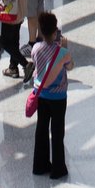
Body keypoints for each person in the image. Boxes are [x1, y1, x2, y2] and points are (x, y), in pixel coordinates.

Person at [29, 11, 71, 179]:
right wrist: (65, 48)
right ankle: (58, 168)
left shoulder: (36, 48)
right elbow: (70, 66)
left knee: (41, 128)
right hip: (58, 96)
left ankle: (40, 165)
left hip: (41, 94)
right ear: (55, 32)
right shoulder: (62, 52)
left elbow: (35, 63)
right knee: (57, 131)